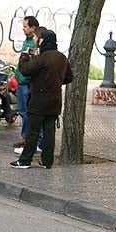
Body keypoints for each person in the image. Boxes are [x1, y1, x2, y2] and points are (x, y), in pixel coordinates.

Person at [11, 28, 72, 170]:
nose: (34, 40)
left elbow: (25, 70)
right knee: (49, 132)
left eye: (36, 37)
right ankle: (47, 161)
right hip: (55, 101)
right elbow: (69, 77)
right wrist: (55, 82)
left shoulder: (42, 58)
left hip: (38, 101)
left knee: (33, 132)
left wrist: (25, 56)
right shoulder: (62, 58)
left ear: (42, 40)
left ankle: (25, 160)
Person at [12, 16, 40, 153]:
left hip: (26, 82)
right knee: (23, 112)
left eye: (25, 27)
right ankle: (25, 137)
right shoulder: (27, 41)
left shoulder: (34, 43)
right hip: (21, 81)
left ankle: (31, 139)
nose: (23, 29)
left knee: (28, 113)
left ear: (33, 28)